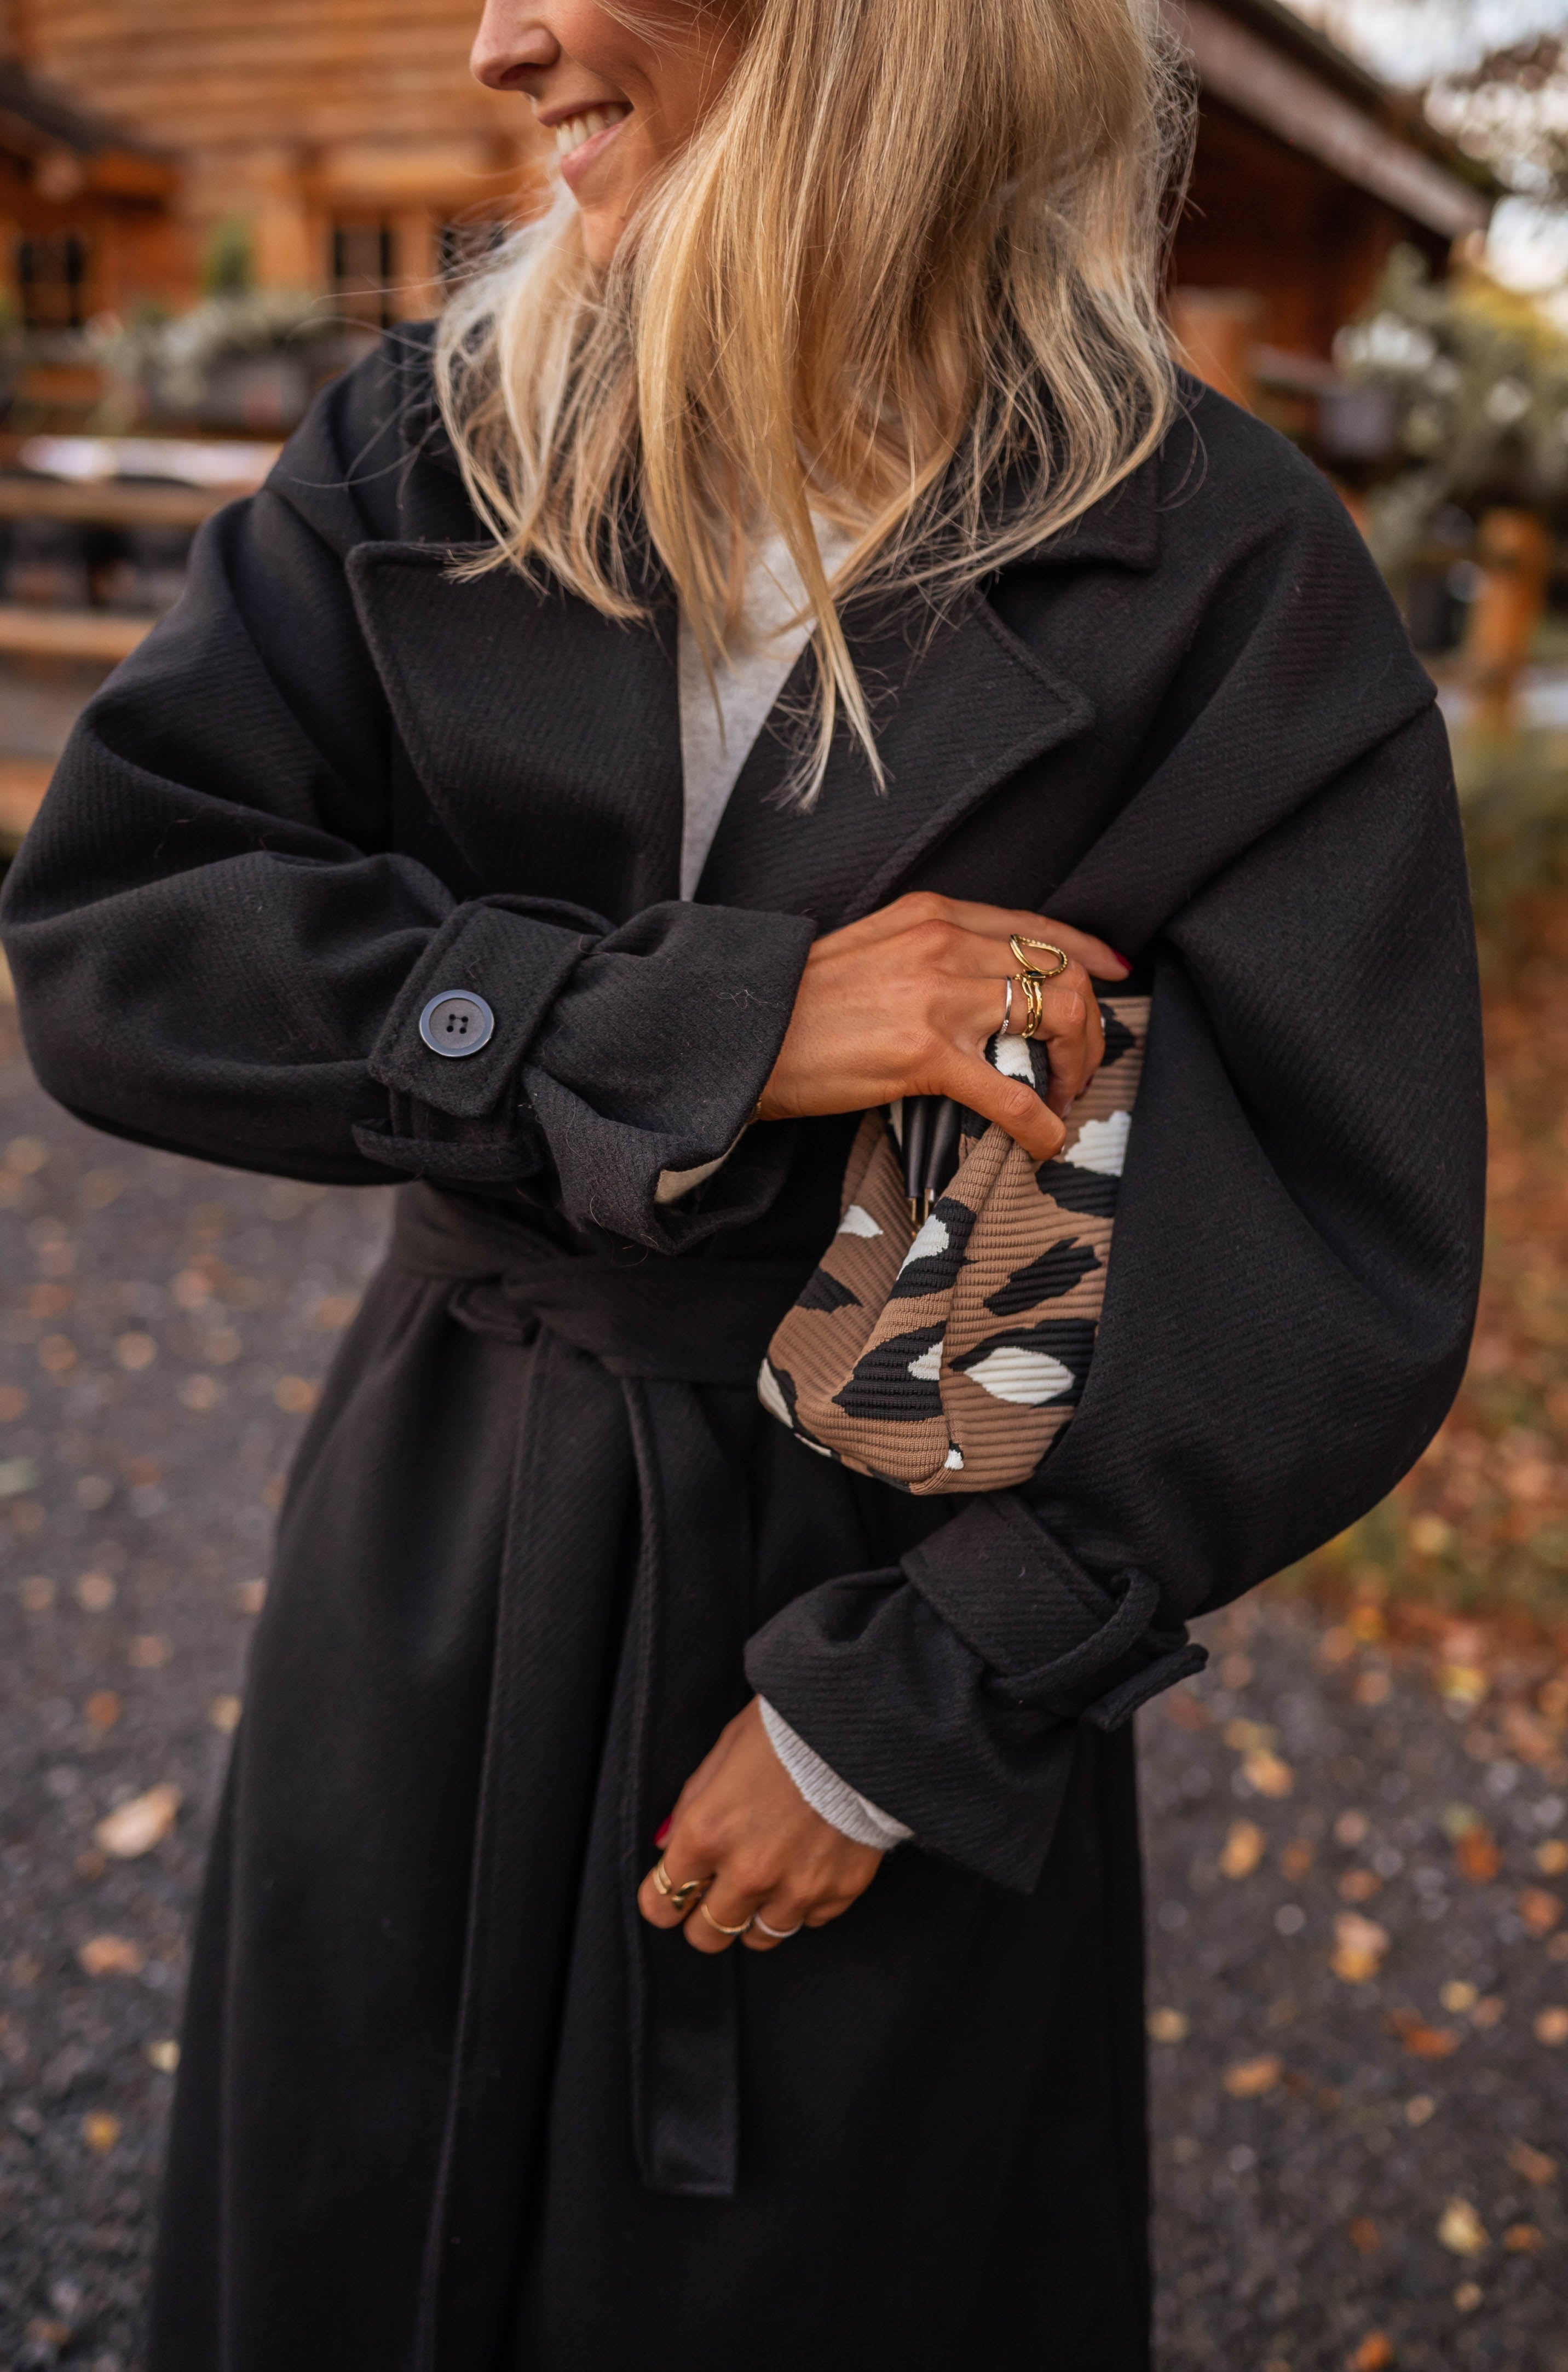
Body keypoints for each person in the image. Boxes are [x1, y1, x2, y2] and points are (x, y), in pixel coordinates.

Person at [0, 2, 1485, 2367]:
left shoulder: (1211, 571)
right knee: (339, 2224)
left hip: (877, 1559)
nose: (500, 41)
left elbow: (1316, 1226)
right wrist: (706, 1025)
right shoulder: (431, 450)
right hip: (437, 1539)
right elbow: (124, 941)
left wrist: (909, 1709)